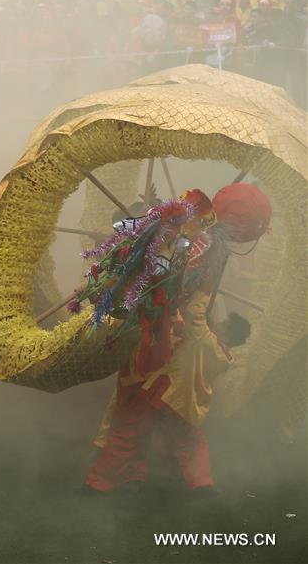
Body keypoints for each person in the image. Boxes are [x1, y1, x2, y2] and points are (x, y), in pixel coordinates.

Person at [84, 184, 272, 495]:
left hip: (145, 340)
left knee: (135, 420)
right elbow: (195, 318)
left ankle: (126, 479)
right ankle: (188, 488)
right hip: (170, 357)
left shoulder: (182, 233)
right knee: (170, 427)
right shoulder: (209, 253)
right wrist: (219, 354)